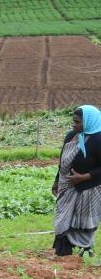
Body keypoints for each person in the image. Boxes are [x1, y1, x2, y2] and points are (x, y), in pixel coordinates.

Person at [51, 105, 101, 257]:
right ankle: (63, 253)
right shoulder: (71, 136)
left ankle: (86, 252)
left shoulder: (98, 140)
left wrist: (84, 177)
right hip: (67, 188)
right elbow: (62, 161)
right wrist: (57, 181)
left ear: (89, 122)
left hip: (89, 189)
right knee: (62, 219)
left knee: (82, 223)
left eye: (77, 122)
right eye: (73, 121)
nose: (74, 124)